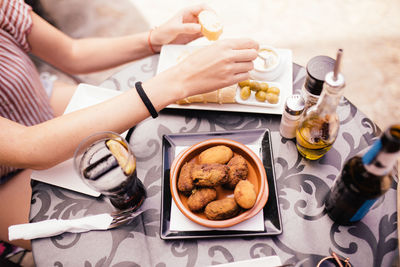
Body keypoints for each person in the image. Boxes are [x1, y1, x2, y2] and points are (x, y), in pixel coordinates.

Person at [0, 0, 258, 250]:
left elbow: (71, 53)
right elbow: (30, 146)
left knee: (154, 148)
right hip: (10, 172)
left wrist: (154, 39)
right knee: (130, 230)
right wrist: (178, 80)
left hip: (37, 103)